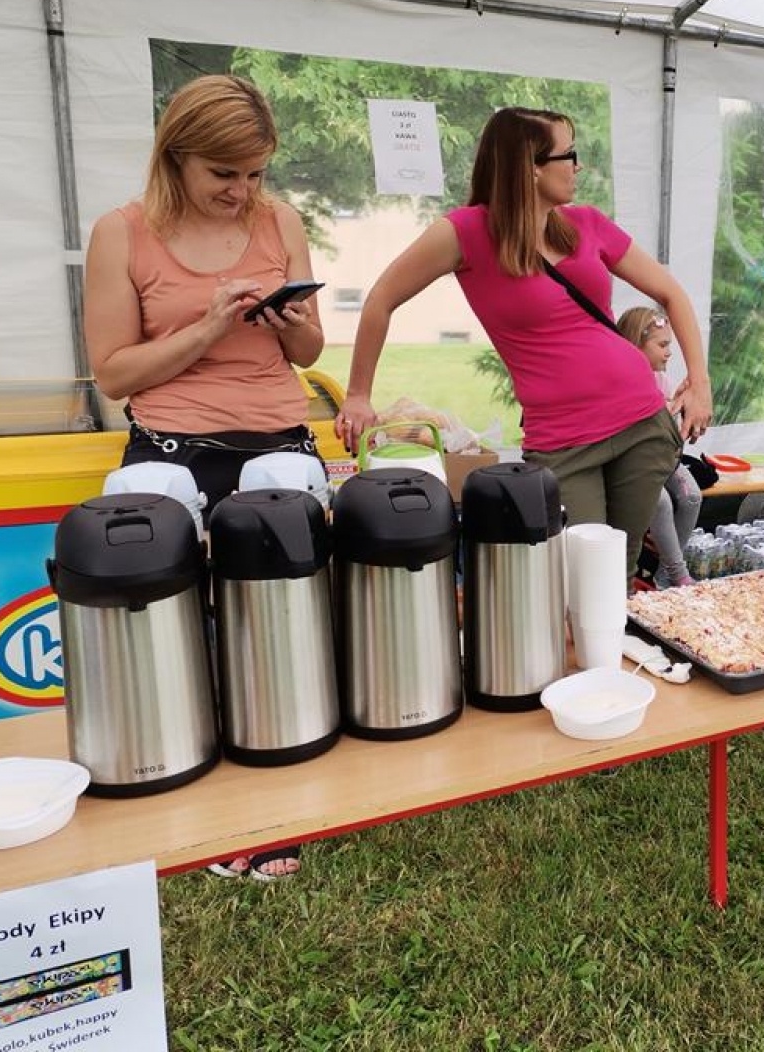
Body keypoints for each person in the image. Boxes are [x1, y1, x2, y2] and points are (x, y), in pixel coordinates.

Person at [83, 73, 321, 883]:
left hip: (276, 430)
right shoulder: (121, 233)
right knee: (155, 596)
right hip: (170, 439)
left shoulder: (279, 220)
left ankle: (277, 787)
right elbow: (114, 374)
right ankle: (175, 771)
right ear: (176, 157)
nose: (244, 191)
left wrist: (291, 325)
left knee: (272, 602)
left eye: (255, 173)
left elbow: (312, 351)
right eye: (225, 174)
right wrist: (209, 323)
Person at [335, 107, 711, 580]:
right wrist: (358, 394)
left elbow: (670, 292)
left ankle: (613, 652)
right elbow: (381, 300)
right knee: (579, 573)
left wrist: (700, 382)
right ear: (530, 165)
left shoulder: (586, 223)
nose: (578, 166)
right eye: (568, 154)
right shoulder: (466, 232)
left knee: (621, 567)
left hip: (641, 422)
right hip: (563, 441)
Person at [617, 305, 701, 587]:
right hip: (632, 464)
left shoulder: (661, 379)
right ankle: (678, 572)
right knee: (661, 503)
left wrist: (676, 405)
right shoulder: (621, 382)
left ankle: (663, 572)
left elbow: (662, 429)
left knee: (691, 497)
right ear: (636, 345)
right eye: (662, 344)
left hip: (661, 458)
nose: (669, 352)